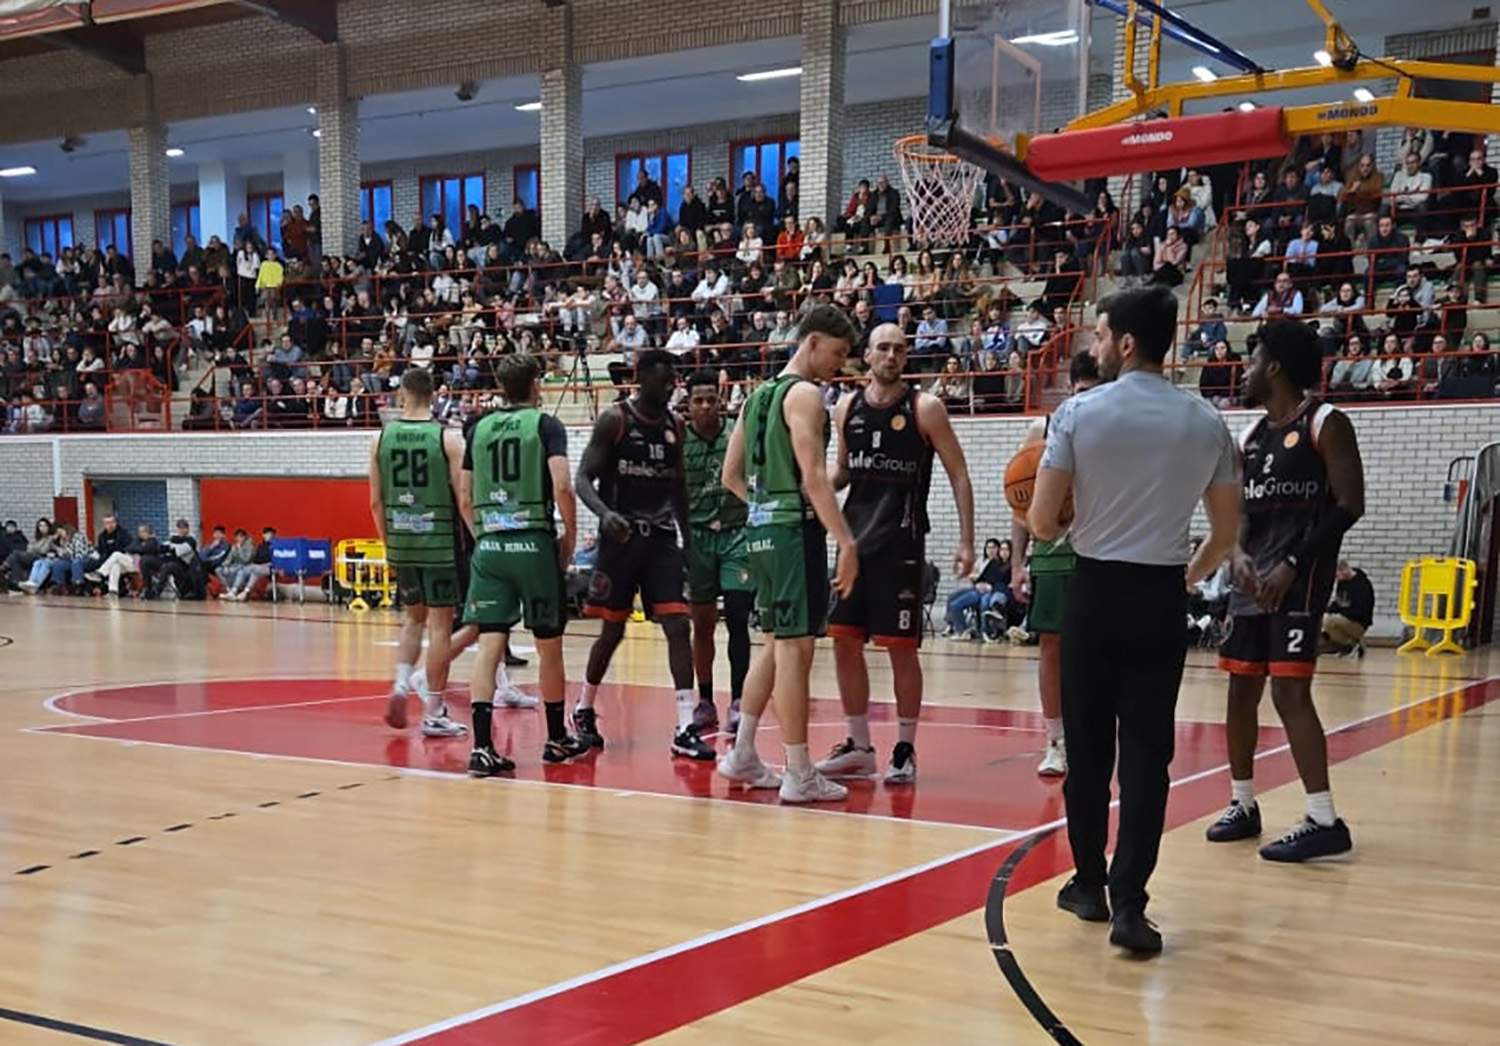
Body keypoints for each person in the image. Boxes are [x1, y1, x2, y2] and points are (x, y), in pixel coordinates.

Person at [1030, 284, 1240, 955]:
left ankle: (1088, 884)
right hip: (1160, 596)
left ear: (1123, 342)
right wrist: (1187, 576)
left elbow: (1041, 522)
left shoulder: (1077, 413)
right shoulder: (1207, 421)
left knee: (1088, 752)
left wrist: (1070, 513)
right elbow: (1226, 533)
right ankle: (1130, 904)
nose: (1094, 345)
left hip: (1094, 591)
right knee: (1149, 756)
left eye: (1098, 335)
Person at [1209, 319, 1364, 863]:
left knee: (1289, 693)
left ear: (1273, 366)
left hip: (1299, 582)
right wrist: (1235, 553)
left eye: (1252, 359)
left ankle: (1323, 819)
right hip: (1253, 583)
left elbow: (1350, 504)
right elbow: (1238, 513)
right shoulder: (1252, 436)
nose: (1245, 370)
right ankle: (1242, 804)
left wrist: (1293, 565)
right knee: (1240, 691)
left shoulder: (1326, 422)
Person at [818, 322, 975, 783]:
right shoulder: (846, 407)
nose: (891, 355)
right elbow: (843, 472)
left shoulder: (925, 408)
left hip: (901, 543)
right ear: (866, 356)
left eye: (899, 349)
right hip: (853, 543)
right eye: (883, 348)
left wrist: (966, 540)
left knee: (902, 650)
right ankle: (859, 746)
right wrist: (812, 488)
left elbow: (960, 474)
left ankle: (904, 749)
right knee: (844, 642)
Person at [716, 304, 860, 802]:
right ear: (813, 341)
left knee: (776, 643)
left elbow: (730, 477)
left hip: (759, 531)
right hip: (792, 534)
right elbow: (814, 477)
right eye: (837, 353)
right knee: (796, 651)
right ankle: (799, 771)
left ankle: (742, 752)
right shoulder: (805, 394)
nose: (839, 364)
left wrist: (765, 505)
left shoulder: (756, 397)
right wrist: (846, 541)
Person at [573, 350, 715, 762]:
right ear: (643, 379)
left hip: (662, 541)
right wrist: (605, 514)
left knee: (678, 625)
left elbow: (679, 488)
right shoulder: (615, 420)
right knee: (612, 632)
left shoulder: (675, 426)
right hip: (621, 541)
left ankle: (685, 725)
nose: (671, 386)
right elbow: (583, 479)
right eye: (664, 379)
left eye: (674, 379)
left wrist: (689, 542)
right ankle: (584, 708)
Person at [459, 354, 589, 774]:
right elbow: (563, 486)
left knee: (489, 646)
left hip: (490, 545)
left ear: (500, 386)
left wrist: (483, 537)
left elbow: (464, 494)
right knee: (549, 647)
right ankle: (555, 739)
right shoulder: (546, 425)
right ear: (535, 384)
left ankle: (482, 747)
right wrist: (569, 538)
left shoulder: (477, 428)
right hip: (533, 543)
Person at [1009, 351, 1102, 778]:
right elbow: (1021, 503)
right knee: (1051, 647)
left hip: (1098, 550)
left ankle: (1092, 736)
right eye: (1080, 392)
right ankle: (1055, 740)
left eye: (1094, 393)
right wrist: (1017, 563)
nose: (1086, 400)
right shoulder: (1042, 429)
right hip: (1051, 552)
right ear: (1069, 389)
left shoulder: (1114, 432)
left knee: (1098, 650)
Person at [371, 367, 469, 739]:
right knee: (441, 626)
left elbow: (376, 502)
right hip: (439, 542)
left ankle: (400, 683)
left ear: (402, 394)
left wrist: (389, 545)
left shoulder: (381, 438)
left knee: (413, 619)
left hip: (402, 541)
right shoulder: (447, 439)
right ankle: (434, 712)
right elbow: (464, 497)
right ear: (434, 395)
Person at [681, 372, 755, 736]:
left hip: (737, 534)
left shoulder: (736, 434)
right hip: (697, 540)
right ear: (689, 404)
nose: (707, 406)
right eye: (699, 400)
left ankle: (739, 700)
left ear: (721, 400)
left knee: (739, 618)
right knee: (703, 624)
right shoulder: (680, 440)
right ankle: (706, 700)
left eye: (712, 399)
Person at [1322, 560, 1374, 657]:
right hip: (1345, 618)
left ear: (1344, 570)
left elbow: (1362, 611)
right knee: (1323, 618)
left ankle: (1351, 645)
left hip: (1359, 623)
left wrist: (1340, 614)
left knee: (1328, 621)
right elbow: (1338, 602)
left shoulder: (1362, 585)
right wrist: (1326, 610)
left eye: (1337, 575)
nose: (1336, 578)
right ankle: (1348, 645)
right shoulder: (1342, 582)